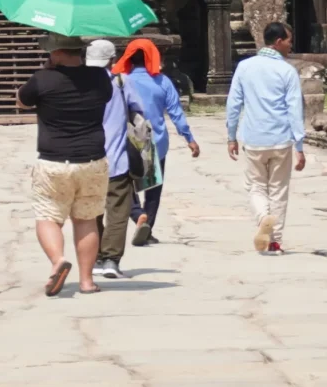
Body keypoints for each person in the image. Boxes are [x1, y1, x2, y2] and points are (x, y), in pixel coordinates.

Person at [18, 35, 111, 296]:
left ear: (57, 52)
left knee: (48, 217)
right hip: (92, 160)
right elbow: (104, 98)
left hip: (54, 161)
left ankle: (58, 261)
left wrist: (46, 73)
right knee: (86, 220)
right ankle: (86, 282)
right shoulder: (99, 77)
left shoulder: (42, 79)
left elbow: (22, 101)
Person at [223, 19, 306, 254]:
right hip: (281, 139)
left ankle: (262, 217)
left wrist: (231, 136)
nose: (291, 45)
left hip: (253, 139)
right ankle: (274, 241)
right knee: (278, 191)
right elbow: (294, 110)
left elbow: (234, 104)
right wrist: (299, 146)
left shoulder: (245, 67)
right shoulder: (287, 71)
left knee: (256, 187)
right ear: (278, 42)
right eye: (289, 41)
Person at [115, 37, 197, 245]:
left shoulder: (120, 80)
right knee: (153, 189)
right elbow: (176, 112)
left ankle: (137, 215)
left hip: (127, 140)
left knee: (125, 183)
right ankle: (147, 227)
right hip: (155, 140)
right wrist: (189, 138)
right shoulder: (162, 82)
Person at [88, 38, 149, 278]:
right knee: (118, 212)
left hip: (86, 158)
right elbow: (139, 113)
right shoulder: (122, 82)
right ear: (113, 60)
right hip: (117, 158)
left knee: (90, 211)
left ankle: (94, 258)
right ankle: (111, 260)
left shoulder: (78, 83)